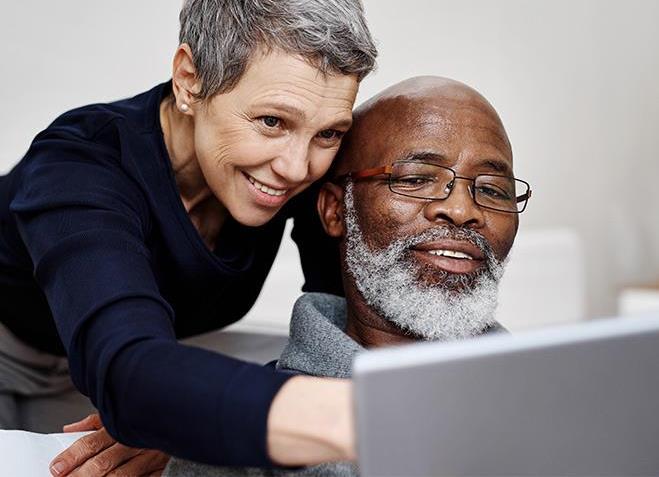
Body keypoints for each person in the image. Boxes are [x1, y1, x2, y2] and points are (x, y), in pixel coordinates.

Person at [60, 76, 532, 476]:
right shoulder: (227, 454)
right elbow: (130, 368)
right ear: (333, 210)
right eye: (413, 179)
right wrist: (194, 424)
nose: (461, 209)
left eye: (492, 189)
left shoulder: (567, 398)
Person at [0, 0, 378, 473]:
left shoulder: (299, 170)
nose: (298, 168)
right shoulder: (76, 166)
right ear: (189, 80)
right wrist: (372, 417)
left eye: (328, 133)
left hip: (109, 370)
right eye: (271, 122)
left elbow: (338, 325)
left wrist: (176, 414)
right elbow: (129, 374)